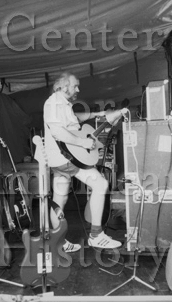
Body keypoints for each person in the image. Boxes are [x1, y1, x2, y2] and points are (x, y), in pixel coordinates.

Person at [43, 72, 122, 252]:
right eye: (75, 85)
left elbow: (76, 119)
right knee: (101, 184)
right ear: (63, 86)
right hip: (67, 158)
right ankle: (96, 235)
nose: (78, 89)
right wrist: (83, 142)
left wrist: (99, 113)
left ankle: (58, 241)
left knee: (60, 199)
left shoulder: (62, 104)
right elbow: (58, 132)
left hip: (59, 159)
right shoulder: (53, 103)